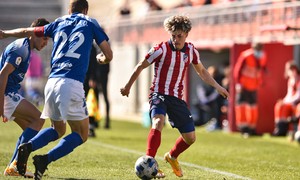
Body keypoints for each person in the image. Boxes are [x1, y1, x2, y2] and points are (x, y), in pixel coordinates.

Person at [0, 0, 113, 179]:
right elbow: (108, 53)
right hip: (72, 83)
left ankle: (27, 147)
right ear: (85, 10)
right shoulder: (90, 22)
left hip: (52, 83)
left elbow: (27, 31)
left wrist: (5, 33)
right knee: (82, 134)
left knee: (57, 129)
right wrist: (102, 59)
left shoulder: (59, 21)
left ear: (69, 10)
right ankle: (43, 159)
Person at [120, 15, 228, 178]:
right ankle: (151, 163)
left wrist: (218, 86)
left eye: (180, 36)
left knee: (190, 138)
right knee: (158, 122)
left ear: (186, 35)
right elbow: (140, 66)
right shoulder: (161, 49)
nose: (176, 39)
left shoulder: (191, 50)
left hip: (177, 98)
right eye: (173, 36)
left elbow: (202, 72)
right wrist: (127, 86)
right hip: (159, 93)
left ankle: (172, 156)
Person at [0, 18, 49, 177]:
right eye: (44, 38)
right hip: (7, 95)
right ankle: (15, 165)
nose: (45, 42)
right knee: (39, 119)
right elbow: (3, 75)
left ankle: (14, 166)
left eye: (47, 39)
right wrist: (1, 105)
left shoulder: (26, 48)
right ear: (34, 34)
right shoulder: (21, 48)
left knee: (29, 125)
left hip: (10, 94)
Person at [233, 42, 267, 137]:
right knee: (242, 106)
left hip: (254, 86)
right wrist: (238, 84)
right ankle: (243, 129)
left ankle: (252, 129)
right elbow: (237, 70)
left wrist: (261, 80)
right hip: (244, 86)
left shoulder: (263, 56)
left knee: (253, 107)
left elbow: (261, 69)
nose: (259, 51)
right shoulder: (246, 55)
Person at [84, 42, 111, 137]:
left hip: (90, 79)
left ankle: (91, 126)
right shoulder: (85, 45)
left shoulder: (92, 47)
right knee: (83, 102)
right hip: (83, 78)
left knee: (92, 102)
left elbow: (93, 64)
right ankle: (86, 126)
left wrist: (92, 77)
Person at [273, 61, 300, 136]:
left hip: (297, 104)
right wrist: (283, 101)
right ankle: (281, 129)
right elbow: (289, 94)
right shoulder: (290, 81)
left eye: (291, 70)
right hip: (291, 103)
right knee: (279, 106)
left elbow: (298, 96)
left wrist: (287, 102)